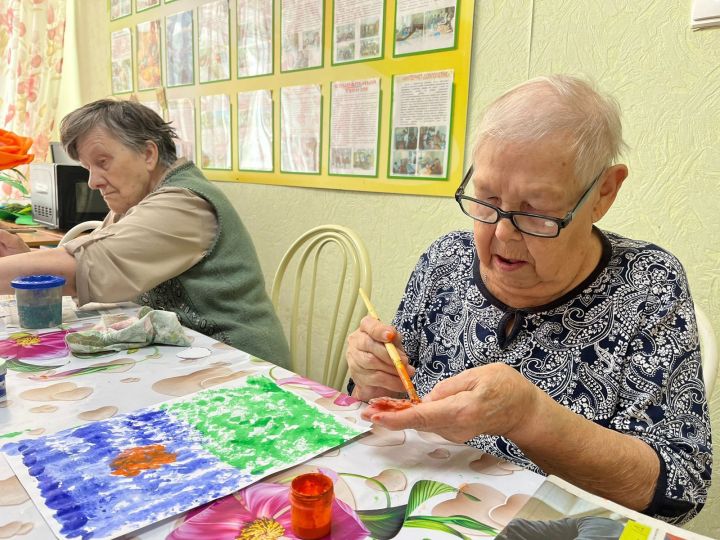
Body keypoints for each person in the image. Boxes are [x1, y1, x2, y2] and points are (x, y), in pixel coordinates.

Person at [346, 75, 711, 525]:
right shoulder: (446, 260)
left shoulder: (648, 285)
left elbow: (677, 490)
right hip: (425, 510)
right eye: (488, 199)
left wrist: (529, 416)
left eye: (535, 211)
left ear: (604, 193)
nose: (501, 234)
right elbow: (394, 400)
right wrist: (371, 379)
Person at [0, 99, 290, 368]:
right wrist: (25, 262)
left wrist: (26, 269)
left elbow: (90, 266)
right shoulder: (137, 199)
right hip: (185, 349)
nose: (92, 182)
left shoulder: (183, 204)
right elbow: (91, 256)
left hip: (240, 361)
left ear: (148, 154)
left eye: (102, 162)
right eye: (88, 168)